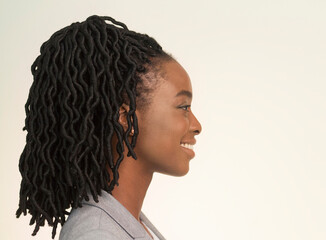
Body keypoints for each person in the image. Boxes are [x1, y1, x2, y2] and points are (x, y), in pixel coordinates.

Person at [15, 15, 202, 239]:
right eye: (183, 106)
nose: (197, 125)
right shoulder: (98, 233)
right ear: (127, 118)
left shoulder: (127, 222)